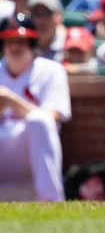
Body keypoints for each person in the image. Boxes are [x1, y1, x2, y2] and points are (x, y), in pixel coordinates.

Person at [0, 14, 71, 201]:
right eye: (9, 41)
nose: (15, 47)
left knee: (39, 119)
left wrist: (11, 100)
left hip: (28, 150)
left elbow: (53, 116)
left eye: (21, 41)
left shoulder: (51, 70)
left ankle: (50, 200)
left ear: (32, 44)